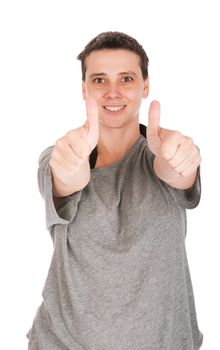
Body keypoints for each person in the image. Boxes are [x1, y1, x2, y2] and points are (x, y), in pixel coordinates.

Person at [27, 31, 203, 350]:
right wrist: (69, 164)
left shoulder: (165, 153)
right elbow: (69, 178)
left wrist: (182, 159)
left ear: (145, 85)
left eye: (126, 78)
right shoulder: (61, 156)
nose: (113, 92)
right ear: (84, 89)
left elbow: (177, 173)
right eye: (99, 80)